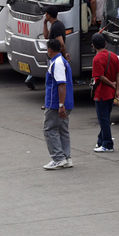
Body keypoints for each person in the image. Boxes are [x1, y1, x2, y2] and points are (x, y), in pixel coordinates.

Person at [43, 38, 74, 170]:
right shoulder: (62, 61)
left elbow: (61, 84)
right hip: (65, 102)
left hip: (56, 104)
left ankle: (58, 158)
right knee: (62, 130)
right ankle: (66, 158)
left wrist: (60, 105)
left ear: (50, 50)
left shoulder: (57, 63)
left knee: (49, 129)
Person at [91, 32, 119, 152]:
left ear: (93, 45)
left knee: (103, 120)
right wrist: (117, 88)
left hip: (101, 93)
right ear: (105, 43)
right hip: (111, 93)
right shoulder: (113, 56)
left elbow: (100, 76)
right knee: (106, 118)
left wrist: (111, 84)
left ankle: (107, 144)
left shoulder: (96, 59)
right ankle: (101, 140)